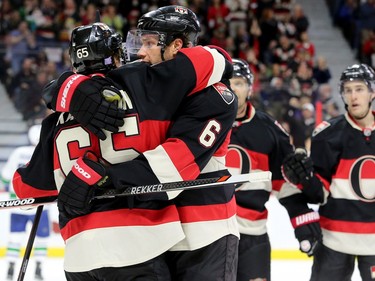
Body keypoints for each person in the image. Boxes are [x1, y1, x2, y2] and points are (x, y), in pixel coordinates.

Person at [14, 7, 237, 281]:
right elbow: (213, 59)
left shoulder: (215, 95)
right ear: (116, 56)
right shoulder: (143, 85)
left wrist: (101, 177)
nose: (140, 53)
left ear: (178, 46)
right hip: (145, 240)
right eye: (138, 44)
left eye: (149, 43)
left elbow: (27, 188)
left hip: (202, 234)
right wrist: (67, 87)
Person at [226, 58, 321, 281]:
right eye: (227, 83)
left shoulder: (269, 130)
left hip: (252, 235)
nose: (232, 89)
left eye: (238, 83)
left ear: (250, 88)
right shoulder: (198, 121)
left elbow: (284, 183)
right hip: (208, 234)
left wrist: (302, 220)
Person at [282, 63, 375, 281]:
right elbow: (318, 194)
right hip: (334, 238)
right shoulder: (327, 134)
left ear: (372, 91)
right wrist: (306, 180)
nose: (353, 96)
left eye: (359, 89)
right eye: (348, 90)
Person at [1, 125, 50, 281]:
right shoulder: (47, 153)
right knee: (41, 238)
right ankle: (38, 269)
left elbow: (5, 176)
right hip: (41, 205)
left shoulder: (18, 152)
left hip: (18, 204)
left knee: (15, 238)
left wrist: (7, 188)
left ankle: (10, 268)